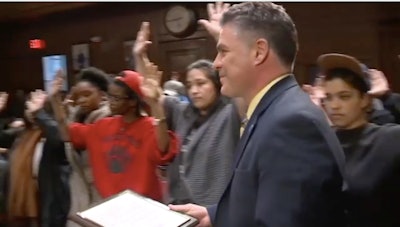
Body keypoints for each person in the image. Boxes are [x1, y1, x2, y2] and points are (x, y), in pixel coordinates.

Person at [170, 2, 346, 227]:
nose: (216, 63)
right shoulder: (273, 109)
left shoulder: (292, 124)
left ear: (259, 52)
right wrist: (214, 216)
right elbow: (261, 198)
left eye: (223, 51)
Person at [133, 23, 242, 206]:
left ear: (217, 85)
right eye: (190, 85)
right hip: (179, 202)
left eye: (201, 83)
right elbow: (153, 92)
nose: (194, 90)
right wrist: (139, 56)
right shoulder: (183, 111)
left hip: (214, 208)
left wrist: (222, 39)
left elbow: (239, 79)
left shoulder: (230, 113)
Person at [50, 67, 179, 202]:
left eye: (116, 98)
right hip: (110, 205)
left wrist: (155, 104)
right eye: (109, 96)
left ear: (132, 101)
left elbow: (163, 148)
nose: (110, 101)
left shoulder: (149, 126)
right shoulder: (103, 125)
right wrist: (55, 100)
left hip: (143, 206)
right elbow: (67, 133)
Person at [318, 53, 400, 227]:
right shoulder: (319, 143)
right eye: (328, 97)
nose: (334, 106)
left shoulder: (389, 140)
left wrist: (388, 97)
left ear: (364, 99)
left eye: (344, 96)